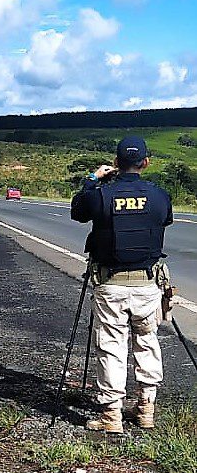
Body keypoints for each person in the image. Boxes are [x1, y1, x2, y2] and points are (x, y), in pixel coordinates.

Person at [71, 136, 173, 433]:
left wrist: (93, 179)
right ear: (146, 162)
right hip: (148, 285)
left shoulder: (102, 193)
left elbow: (78, 211)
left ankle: (111, 416)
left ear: (115, 163)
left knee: (112, 347)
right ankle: (145, 410)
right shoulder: (160, 195)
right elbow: (164, 220)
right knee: (147, 343)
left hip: (111, 285)